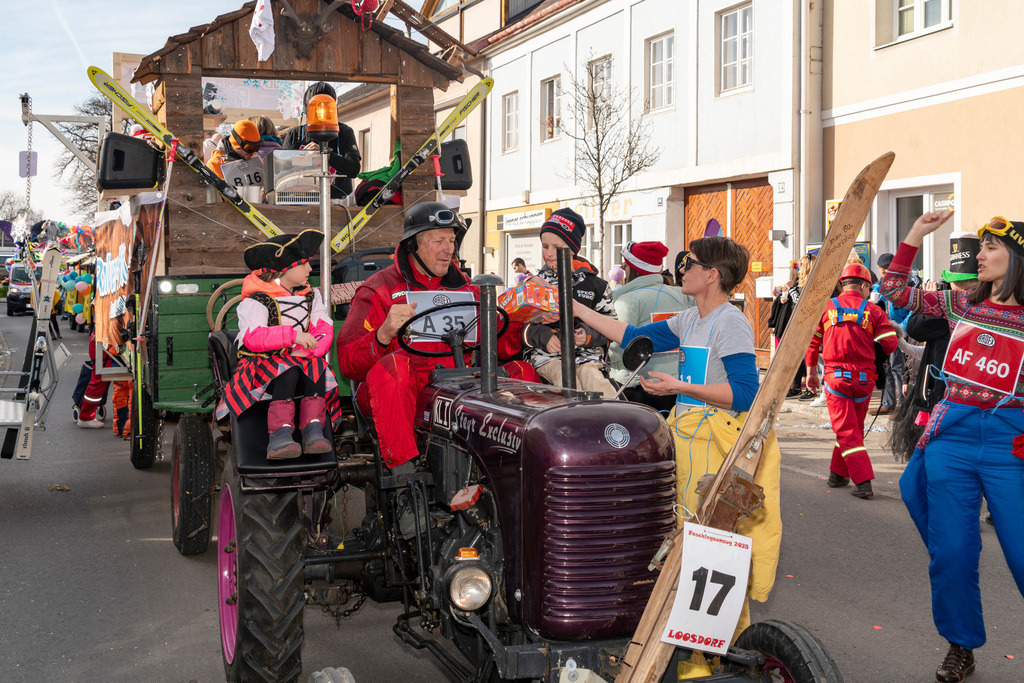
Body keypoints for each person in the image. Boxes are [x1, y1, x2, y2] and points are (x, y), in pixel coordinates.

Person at [571, 236, 778, 672]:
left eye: (690, 263)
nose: (680, 269)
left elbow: (745, 394)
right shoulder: (690, 318)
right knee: (687, 549)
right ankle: (692, 658)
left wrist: (679, 387)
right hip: (688, 439)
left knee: (708, 551)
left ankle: (719, 660)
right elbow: (632, 334)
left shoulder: (730, 322)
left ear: (712, 275)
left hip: (714, 444)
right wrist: (575, 309)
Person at [881, 212, 1024, 683]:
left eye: (991, 249)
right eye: (980, 247)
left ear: (1018, 258)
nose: (979, 256)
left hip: (1011, 449)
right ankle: (960, 646)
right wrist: (916, 234)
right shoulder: (961, 302)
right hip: (951, 444)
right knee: (953, 554)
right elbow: (895, 293)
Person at [336, 202, 540, 469]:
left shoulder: (471, 291)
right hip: (404, 388)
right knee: (393, 368)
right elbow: (348, 362)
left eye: (452, 241)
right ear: (413, 245)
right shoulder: (379, 289)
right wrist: (383, 333)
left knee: (523, 372)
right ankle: (403, 478)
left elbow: (496, 347)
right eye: (438, 240)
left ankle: (524, 470)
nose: (448, 249)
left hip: (461, 383)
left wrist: (526, 326)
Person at [216, 230, 336, 459]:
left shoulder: (312, 296)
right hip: (263, 366)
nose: (310, 270)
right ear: (284, 270)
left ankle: (312, 429)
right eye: (304, 264)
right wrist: (292, 337)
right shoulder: (257, 300)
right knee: (287, 371)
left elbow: (323, 327)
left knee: (316, 368)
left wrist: (313, 348)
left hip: (298, 358)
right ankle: (279, 435)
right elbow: (253, 337)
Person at [805, 263, 897, 499]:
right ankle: (837, 474)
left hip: (836, 378)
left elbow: (813, 344)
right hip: (865, 380)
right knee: (852, 430)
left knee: (847, 431)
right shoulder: (874, 310)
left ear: (842, 284)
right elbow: (890, 344)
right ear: (865, 286)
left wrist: (811, 373)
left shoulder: (827, 308)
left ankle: (863, 481)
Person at [520, 208, 617, 397]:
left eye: (556, 248)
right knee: (564, 379)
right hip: (547, 359)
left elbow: (611, 327)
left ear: (573, 249)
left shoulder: (596, 285)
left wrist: (588, 335)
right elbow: (521, 328)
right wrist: (544, 336)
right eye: (545, 246)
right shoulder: (534, 283)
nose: (548, 253)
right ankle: (574, 419)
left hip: (588, 359)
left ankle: (613, 420)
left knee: (595, 381)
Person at [608, 240, 695, 413]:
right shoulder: (682, 294)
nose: (624, 271)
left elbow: (619, 347)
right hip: (678, 383)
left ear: (633, 269)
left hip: (638, 386)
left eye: (625, 267)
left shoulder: (627, 300)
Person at [281, 82, 361, 198]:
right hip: (301, 201)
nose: (321, 112)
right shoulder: (295, 134)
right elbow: (283, 171)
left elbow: (354, 169)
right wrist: (304, 157)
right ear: (307, 109)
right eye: (316, 108)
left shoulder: (344, 132)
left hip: (337, 203)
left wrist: (327, 154)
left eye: (326, 106)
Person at [871, 252, 912, 416]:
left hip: (899, 332)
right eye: (883, 270)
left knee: (898, 369)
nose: (886, 273)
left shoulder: (907, 285)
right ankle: (888, 403)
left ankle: (902, 407)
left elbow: (911, 311)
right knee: (885, 367)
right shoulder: (877, 288)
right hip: (882, 333)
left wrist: (902, 329)